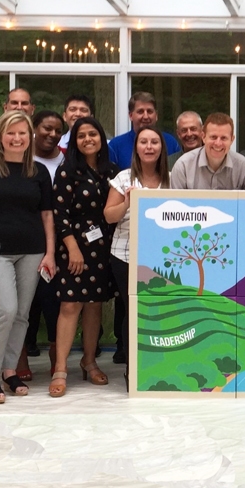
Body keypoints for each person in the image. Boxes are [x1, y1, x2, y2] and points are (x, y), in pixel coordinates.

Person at [0, 111, 55, 404]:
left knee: (21, 315)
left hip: (32, 251)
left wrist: (51, 253)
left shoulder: (39, 172)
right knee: (5, 309)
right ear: (0, 136)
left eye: (22, 133)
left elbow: (46, 215)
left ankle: (9, 368)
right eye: (11, 133)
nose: (17, 138)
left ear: (30, 137)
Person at [49, 117, 117, 397]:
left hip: (103, 247)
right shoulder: (66, 172)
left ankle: (89, 362)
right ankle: (60, 369)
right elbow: (59, 213)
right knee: (70, 306)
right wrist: (72, 247)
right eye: (81, 135)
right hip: (73, 246)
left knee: (94, 306)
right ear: (74, 141)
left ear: (101, 138)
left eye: (93, 134)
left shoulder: (111, 171)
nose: (88, 139)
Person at [105, 127, 170, 387]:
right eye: (144, 142)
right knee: (133, 311)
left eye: (155, 142)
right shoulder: (123, 178)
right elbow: (109, 216)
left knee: (160, 313)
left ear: (162, 148)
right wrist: (128, 203)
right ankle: (133, 370)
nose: (149, 146)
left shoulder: (172, 178)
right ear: (136, 147)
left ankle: (160, 365)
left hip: (162, 259)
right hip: (126, 255)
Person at [20, 110, 66, 375]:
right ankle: (21, 356)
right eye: (47, 128)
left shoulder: (67, 161)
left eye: (58, 130)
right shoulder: (22, 161)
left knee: (54, 301)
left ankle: (55, 354)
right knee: (27, 302)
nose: (52, 134)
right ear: (34, 128)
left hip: (60, 243)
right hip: (26, 240)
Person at [171, 113, 245, 190]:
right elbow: (176, 204)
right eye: (213, 137)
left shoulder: (244, 168)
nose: (218, 143)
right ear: (203, 137)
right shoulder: (183, 166)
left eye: (223, 138)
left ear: (232, 140)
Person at [108, 92, 181, 170]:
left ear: (156, 115)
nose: (145, 116)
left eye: (149, 111)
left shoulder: (170, 143)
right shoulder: (116, 146)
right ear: (131, 116)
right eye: (140, 112)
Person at [0, 87, 36, 154]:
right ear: (5, 107)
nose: (19, 107)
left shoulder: (40, 138)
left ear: (32, 109)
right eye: (14, 103)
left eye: (24, 103)